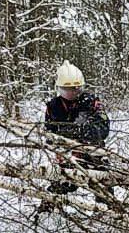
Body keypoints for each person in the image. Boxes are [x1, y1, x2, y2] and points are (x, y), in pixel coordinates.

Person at [36, 60, 111, 215]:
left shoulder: (91, 102)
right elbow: (50, 134)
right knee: (58, 183)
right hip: (66, 153)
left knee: (103, 185)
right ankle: (45, 214)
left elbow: (103, 129)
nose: (71, 93)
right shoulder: (53, 106)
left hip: (93, 153)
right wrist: (64, 141)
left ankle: (109, 215)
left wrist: (76, 132)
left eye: (75, 89)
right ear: (59, 89)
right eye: (66, 90)